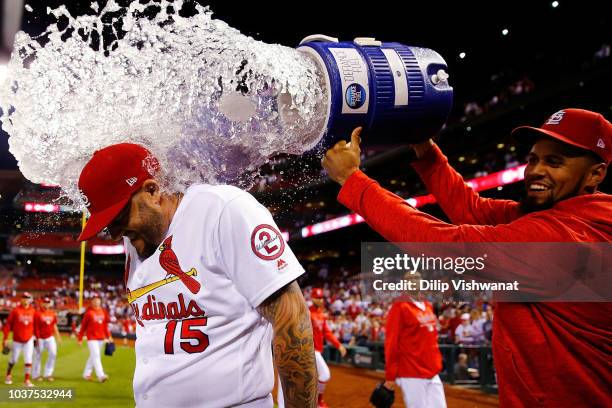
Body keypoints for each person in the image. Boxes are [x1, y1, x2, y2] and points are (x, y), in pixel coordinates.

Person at [322, 108, 612, 407]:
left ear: (595, 174)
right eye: (533, 159)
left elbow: (441, 243)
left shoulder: (567, 238)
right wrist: (425, 147)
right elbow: (472, 209)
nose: (536, 170)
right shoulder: (565, 214)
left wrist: (352, 179)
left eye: (555, 162)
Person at [77, 143, 317, 407]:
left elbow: (291, 318)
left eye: (119, 217)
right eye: (108, 225)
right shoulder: (138, 237)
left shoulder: (222, 209)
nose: (113, 234)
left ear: (153, 190)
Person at [382, 273, 446, 408]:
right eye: (410, 279)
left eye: (417, 278)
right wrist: (390, 375)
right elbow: (391, 342)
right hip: (411, 372)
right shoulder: (400, 306)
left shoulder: (427, 304)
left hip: (432, 370)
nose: (414, 281)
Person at [278, 287, 346, 408]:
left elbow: (327, 332)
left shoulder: (321, 315)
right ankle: (318, 402)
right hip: (309, 349)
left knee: (308, 378)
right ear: (312, 298)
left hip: (317, 350)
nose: (320, 300)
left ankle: (314, 402)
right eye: (317, 297)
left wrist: (338, 345)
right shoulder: (307, 312)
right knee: (324, 374)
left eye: (321, 297)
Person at [2, 292, 36, 387]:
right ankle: (8, 374)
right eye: (24, 297)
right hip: (17, 339)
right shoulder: (15, 311)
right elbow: (8, 325)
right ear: (21, 299)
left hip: (29, 339)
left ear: (30, 300)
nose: (25, 299)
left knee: (28, 359)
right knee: (14, 359)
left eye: (27, 298)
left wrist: (37, 337)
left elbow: (35, 325)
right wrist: (5, 338)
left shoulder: (33, 311)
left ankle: (27, 380)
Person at [77, 295, 111, 382]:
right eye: (94, 300)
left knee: (93, 356)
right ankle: (101, 375)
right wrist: (80, 338)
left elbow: (105, 326)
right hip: (92, 338)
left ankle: (86, 374)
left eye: (98, 300)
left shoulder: (103, 311)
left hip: (101, 338)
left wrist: (109, 336)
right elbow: (83, 327)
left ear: (100, 301)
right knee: (96, 356)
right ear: (92, 302)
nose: (96, 301)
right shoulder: (89, 313)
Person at [33, 296, 61, 381]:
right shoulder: (37, 313)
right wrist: (36, 338)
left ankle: (48, 374)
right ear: (41, 303)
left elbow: (54, 325)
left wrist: (58, 336)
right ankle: (36, 375)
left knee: (53, 354)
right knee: (38, 356)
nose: (46, 304)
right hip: (40, 338)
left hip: (50, 337)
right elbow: (35, 327)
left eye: (48, 303)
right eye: (45, 302)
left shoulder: (52, 313)